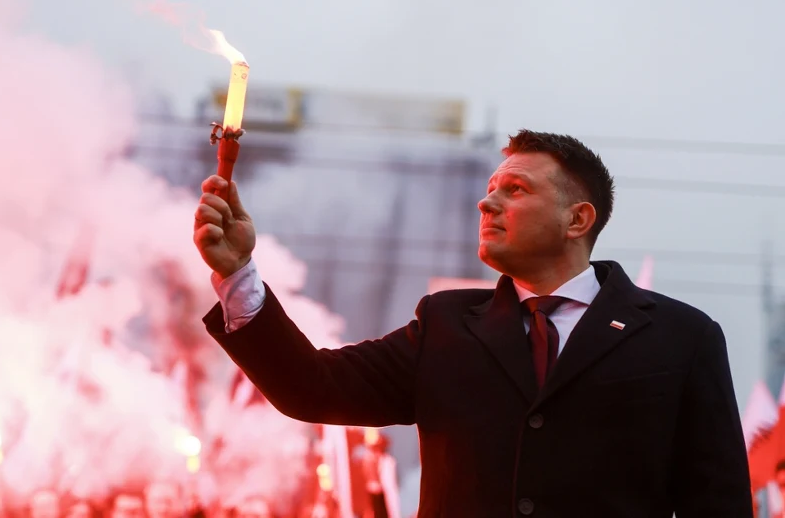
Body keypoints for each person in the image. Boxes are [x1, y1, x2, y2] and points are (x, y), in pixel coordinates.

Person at [194, 129, 752, 517]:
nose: (487, 204)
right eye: (489, 190)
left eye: (516, 190)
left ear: (577, 219)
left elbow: (717, 504)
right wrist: (238, 272)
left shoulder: (683, 338)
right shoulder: (446, 324)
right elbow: (310, 388)